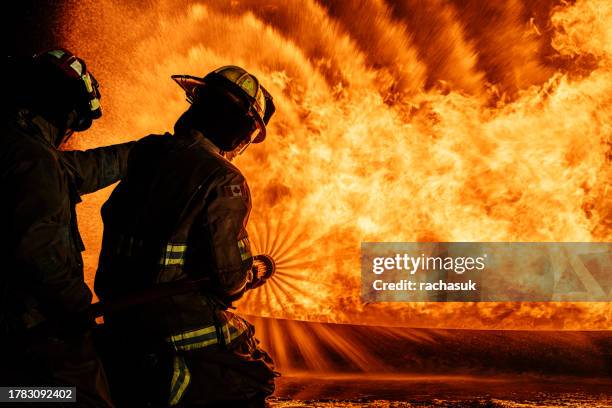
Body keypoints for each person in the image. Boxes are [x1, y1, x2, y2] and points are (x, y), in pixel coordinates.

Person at [94, 66, 278, 407]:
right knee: (255, 369)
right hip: (170, 325)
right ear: (240, 128)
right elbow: (229, 280)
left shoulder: (148, 152)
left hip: (120, 315)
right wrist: (250, 272)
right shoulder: (225, 179)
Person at [0, 49, 135, 406]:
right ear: (66, 112)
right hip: (34, 328)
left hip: (19, 323)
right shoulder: (35, 159)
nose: (70, 134)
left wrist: (142, 152)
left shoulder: (17, 145)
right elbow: (37, 250)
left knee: (18, 395)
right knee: (80, 396)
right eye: (74, 122)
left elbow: (77, 170)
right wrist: (76, 305)